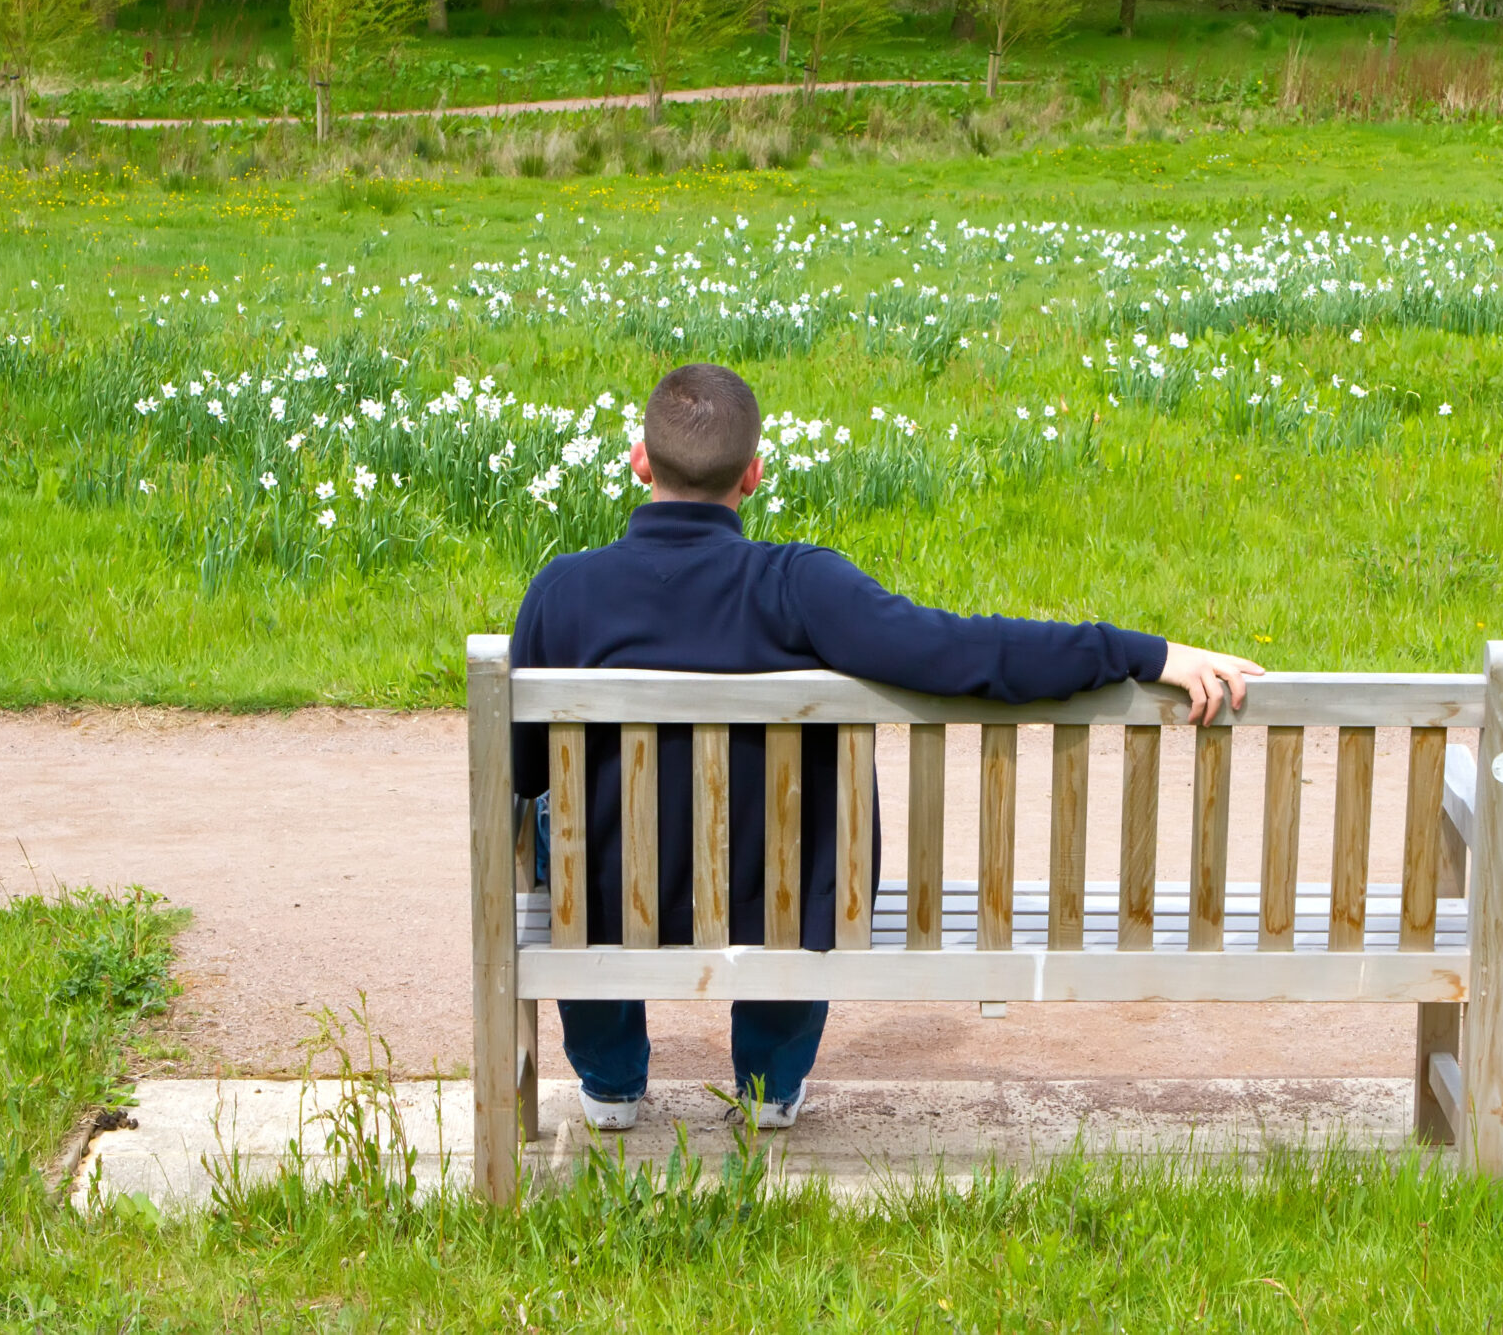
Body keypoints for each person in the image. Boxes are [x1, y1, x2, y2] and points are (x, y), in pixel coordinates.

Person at [509, 363, 1264, 1132]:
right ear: (754, 473)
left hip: (610, 893)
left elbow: (526, 770)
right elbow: (970, 652)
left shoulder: (564, 591)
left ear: (641, 460)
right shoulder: (801, 584)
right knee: (799, 842)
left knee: (559, 827)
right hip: (783, 902)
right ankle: (769, 1085)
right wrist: (1146, 651)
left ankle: (608, 1082)